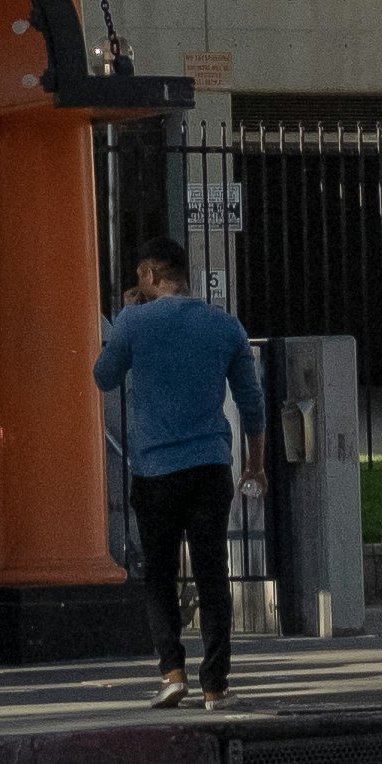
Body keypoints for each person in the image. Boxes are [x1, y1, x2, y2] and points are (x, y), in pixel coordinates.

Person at [94, 243, 269, 712]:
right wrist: (255, 462)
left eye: (140, 277)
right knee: (213, 576)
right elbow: (252, 404)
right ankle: (216, 686)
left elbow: (103, 376)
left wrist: (125, 318)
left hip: (154, 470)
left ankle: (172, 674)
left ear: (150, 273)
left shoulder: (135, 321)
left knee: (159, 575)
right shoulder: (225, 326)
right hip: (210, 466)